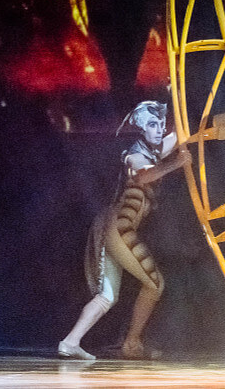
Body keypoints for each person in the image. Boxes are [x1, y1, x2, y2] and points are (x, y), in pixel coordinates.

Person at [58, 100, 190, 361]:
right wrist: (178, 163)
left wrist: (206, 125)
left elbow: (181, 135)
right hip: (120, 227)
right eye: (153, 124)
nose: (159, 130)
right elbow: (143, 175)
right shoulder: (135, 153)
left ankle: (70, 342)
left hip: (114, 228)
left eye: (161, 125)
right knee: (155, 284)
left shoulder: (152, 152)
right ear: (141, 128)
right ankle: (131, 342)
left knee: (107, 296)